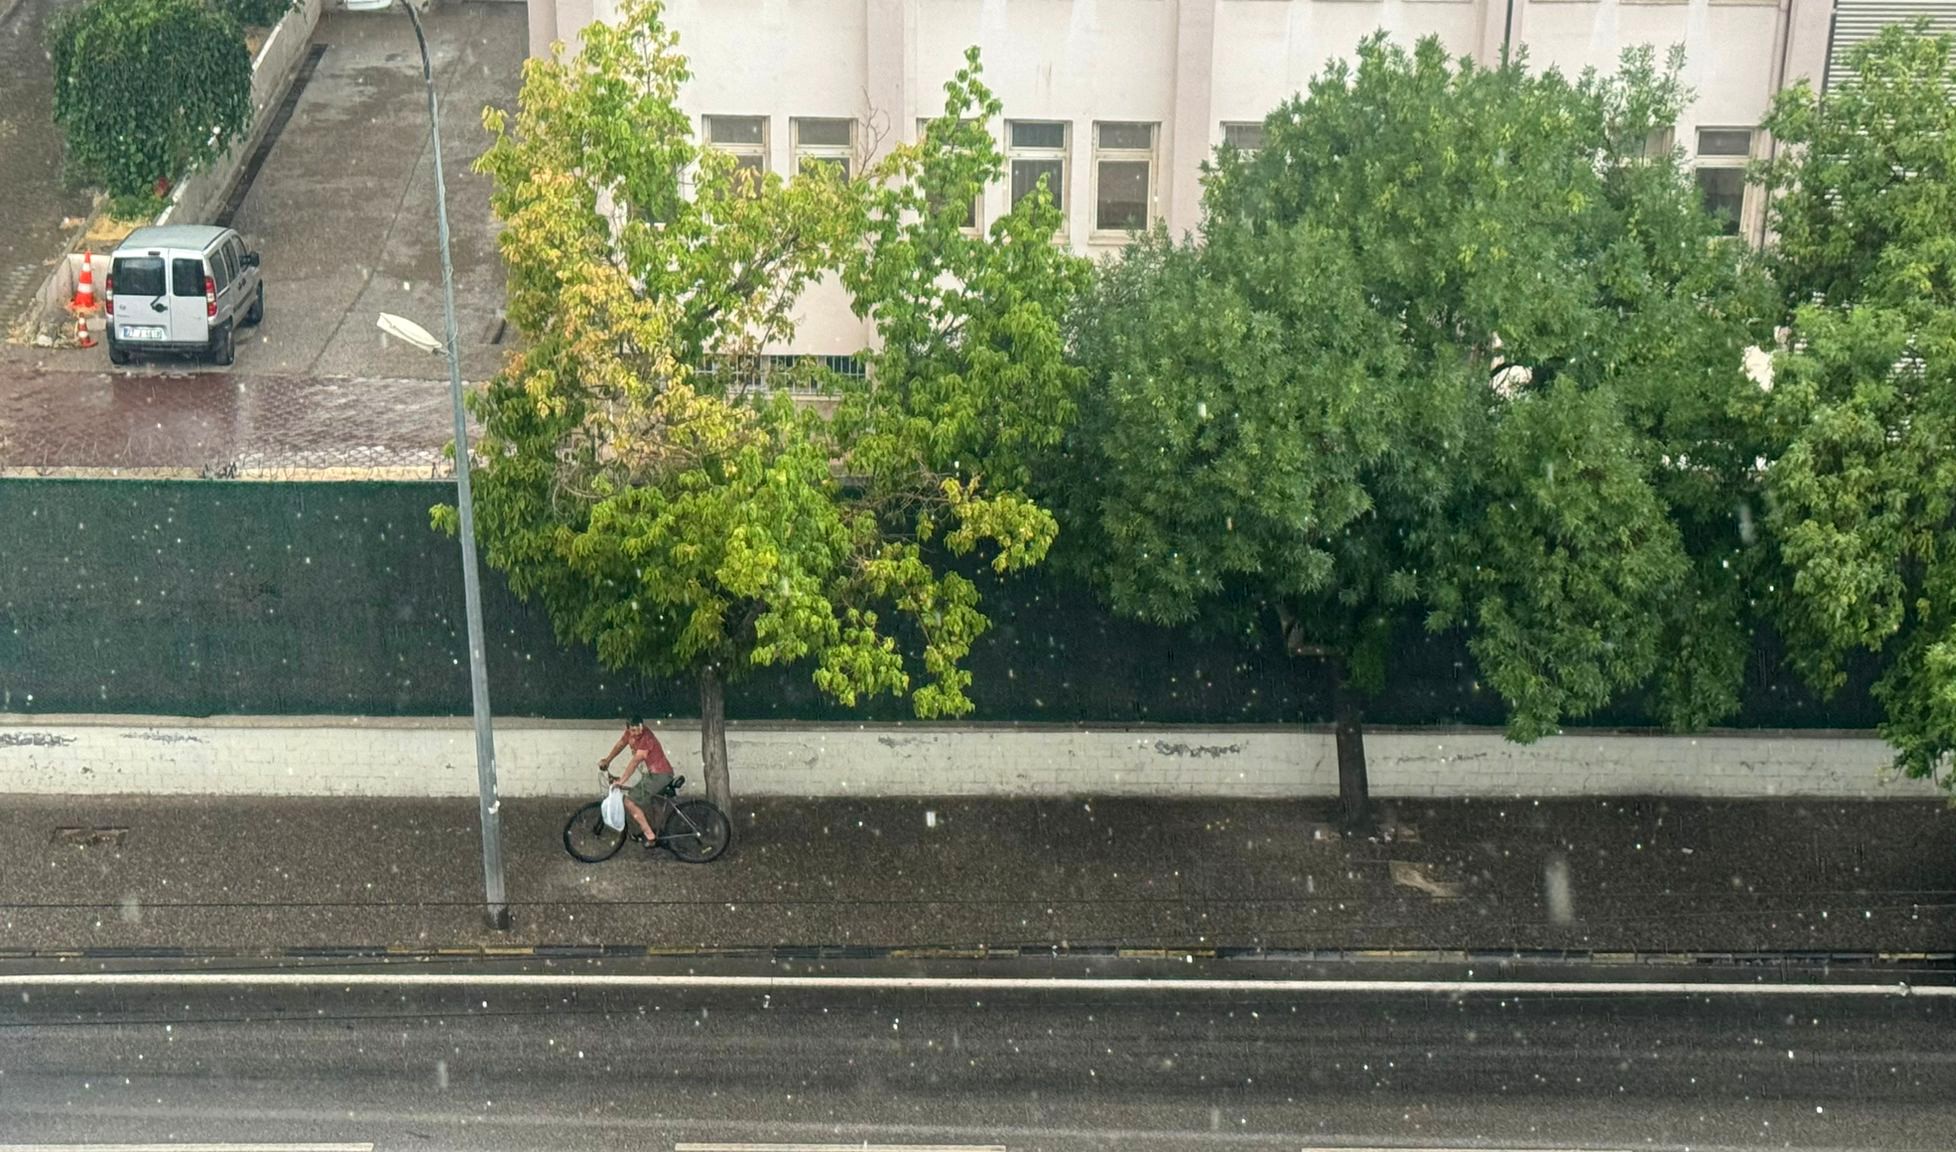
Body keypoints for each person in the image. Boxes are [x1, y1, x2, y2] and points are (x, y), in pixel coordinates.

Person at [600, 714, 674, 850]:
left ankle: (650, 836)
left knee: (629, 801)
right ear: (628, 729)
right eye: (633, 730)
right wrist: (607, 760)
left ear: (642, 725)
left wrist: (622, 780)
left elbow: (635, 762)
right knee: (656, 803)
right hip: (653, 773)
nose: (636, 733)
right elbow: (620, 745)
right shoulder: (630, 734)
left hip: (659, 775)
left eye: (639, 729)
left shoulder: (647, 737)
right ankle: (657, 833)